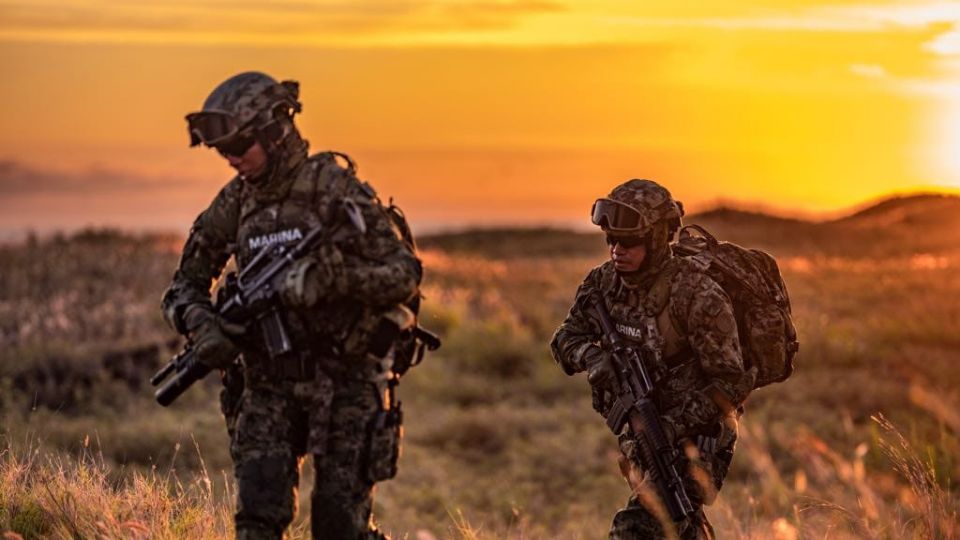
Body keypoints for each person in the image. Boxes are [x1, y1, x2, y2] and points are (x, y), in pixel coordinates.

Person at [161, 71, 421, 540]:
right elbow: (184, 285)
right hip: (268, 383)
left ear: (275, 131)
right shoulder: (236, 202)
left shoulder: (333, 186)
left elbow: (404, 274)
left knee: (339, 526)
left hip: (345, 379)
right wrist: (202, 325)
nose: (232, 159)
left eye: (241, 146)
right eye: (224, 152)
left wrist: (332, 279)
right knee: (257, 522)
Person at [550, 179, 756, 540]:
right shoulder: (602, 283)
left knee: (636, 528)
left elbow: (731, 383)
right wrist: (592, 356)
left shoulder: (696, 294)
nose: (617, 250)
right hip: (642, 429)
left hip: (698, 435)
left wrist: (673, 427)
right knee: (681, 529)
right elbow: (564, 339)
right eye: (610, 239)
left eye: (629, 241)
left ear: (658, 238)